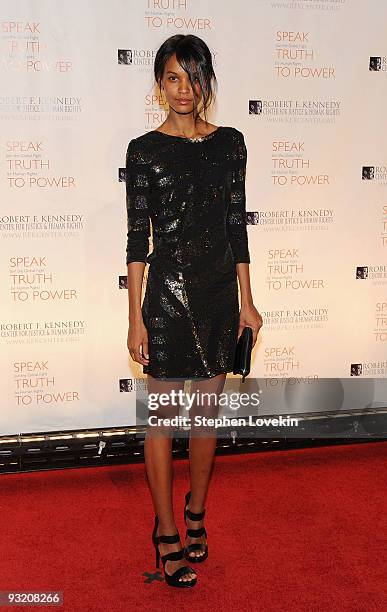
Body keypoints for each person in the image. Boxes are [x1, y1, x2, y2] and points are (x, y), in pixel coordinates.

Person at [125, 34, 263, 588]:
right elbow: (138, 241)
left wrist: (246, 301)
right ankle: (164, 533)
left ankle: (196, 511)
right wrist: (134, 317)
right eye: (173, 78)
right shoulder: (143, 150)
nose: (184, 89)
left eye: (194, 76)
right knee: (161, 422)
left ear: (207, 81)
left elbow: (237, 227)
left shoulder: (231, 143)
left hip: (214, 299)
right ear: (159, 85)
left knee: (205, 417)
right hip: (164, 300)